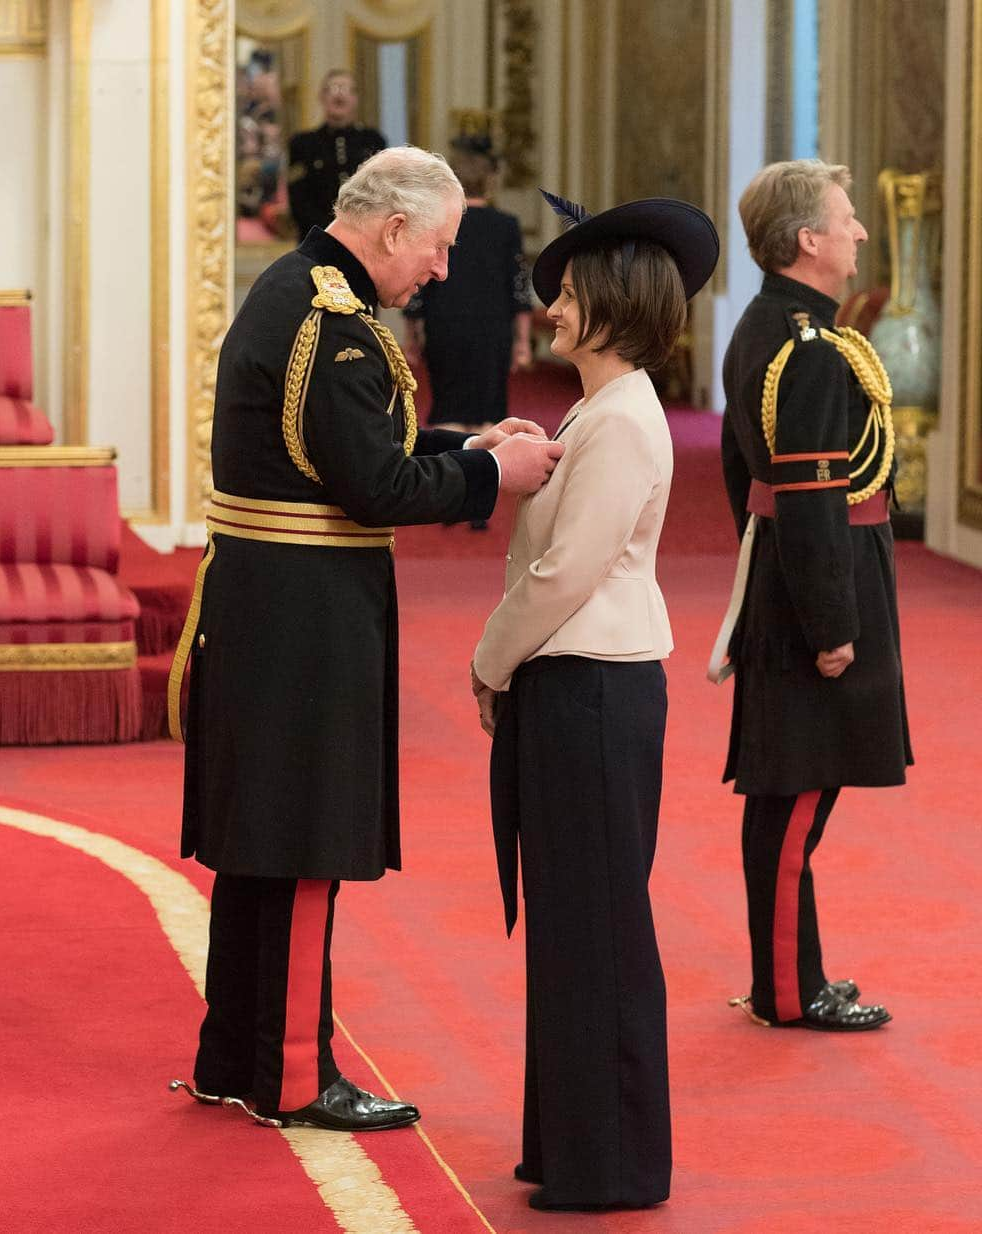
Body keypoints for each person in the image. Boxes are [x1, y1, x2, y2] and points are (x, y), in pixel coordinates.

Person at [167, 146, 565, 1132]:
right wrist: (491, 481)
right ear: (394, 229)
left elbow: (346, 447)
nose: (439, 270)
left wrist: (463, 442)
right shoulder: (332, 323)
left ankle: (236, 1055)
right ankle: (296, 1074)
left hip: (270, 603)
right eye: (436, 248)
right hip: (305, 615)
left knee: (258, 840)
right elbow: (373, 486)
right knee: (304, 840)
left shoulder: (299, 291)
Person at [473, 192, 719, 1211]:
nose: (552, 308)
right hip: (576, 687)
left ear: (612, 306)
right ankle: (573, 1147)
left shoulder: (620, 419)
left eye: (568, 294)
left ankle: (612, 1163)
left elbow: (565, 572)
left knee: (600, 930)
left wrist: (489, 662)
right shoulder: (595, 409)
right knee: (577, 927)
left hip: (595, 690)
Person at [713, 159, 911, 1031]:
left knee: (792, 795)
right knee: (797, 796)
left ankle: (788, 978)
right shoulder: (809, 347)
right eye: (848, 217)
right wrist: (831, 622)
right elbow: (809, 492)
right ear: (809, 240)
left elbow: (736, 469)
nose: (860, 231)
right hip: (821, 580)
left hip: (792, 566)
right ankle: (789, 990)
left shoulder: (770, 327)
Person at [402, 135, 532, 430]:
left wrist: (411, 335)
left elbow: (419, 283)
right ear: (490, 180)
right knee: (489, 413)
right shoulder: (506, 225)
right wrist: (522, 342)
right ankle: (485, 469)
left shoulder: (438, 223)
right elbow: (519, 288)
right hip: (493, 329)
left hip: (445, 325)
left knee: (448, 409)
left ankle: (451, 470)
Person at [287, 70, 386, 241]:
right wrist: (330, 233)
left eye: (347, 89)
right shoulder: (302, 143)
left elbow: (380, 194)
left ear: (356, 99)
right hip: (316, 238)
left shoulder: (373, 141)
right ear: (321, 97)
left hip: (364, 238)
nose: (339, 95)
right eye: (332, 89)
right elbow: (298, 199)